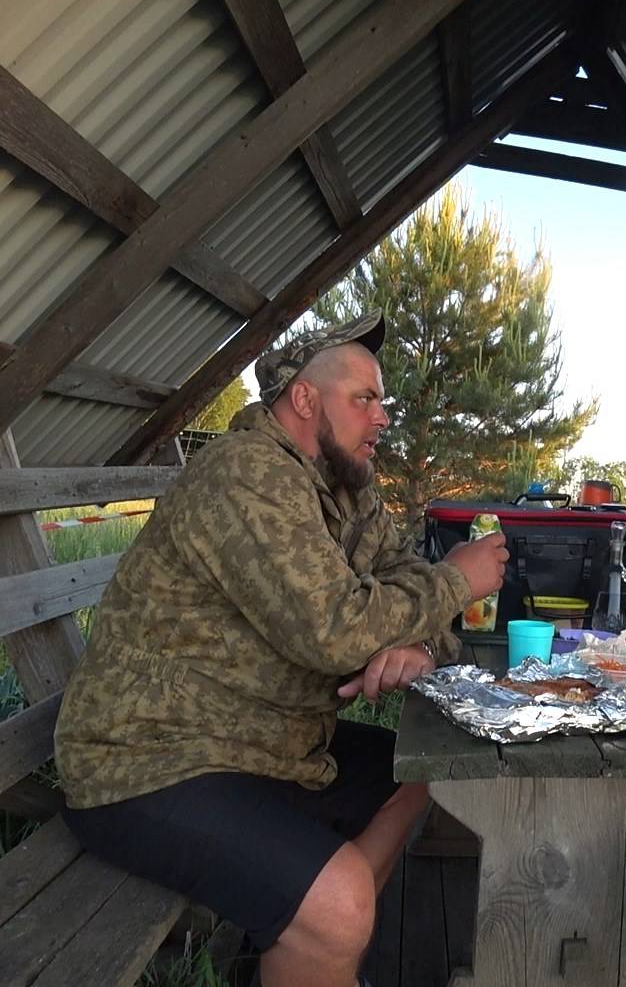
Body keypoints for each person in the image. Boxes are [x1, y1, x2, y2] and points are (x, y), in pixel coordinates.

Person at [53, 312, 508, 987]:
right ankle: (326, 935)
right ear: (304, 399)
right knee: (339, 905)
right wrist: (456, 582)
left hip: (269, 744)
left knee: (421, 772)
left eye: (381, 401)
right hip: (151, 757)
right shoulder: (246, 474)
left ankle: (318, 953)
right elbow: (336, 630)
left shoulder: (346, 491)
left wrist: (419, 644)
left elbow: (405, 579)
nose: (382, 417)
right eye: (364, 398)